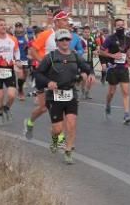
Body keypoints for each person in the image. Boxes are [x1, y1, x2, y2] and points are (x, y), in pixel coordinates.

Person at [33, 29, 93, 164]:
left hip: (71, 93)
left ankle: (68, 151)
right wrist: (48, 82)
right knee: (58, 129)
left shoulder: (75, 55)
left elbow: (87, 67)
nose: (65, 42)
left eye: (67, 39)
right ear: (57, 42)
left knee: (71, 124)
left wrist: (86, 74)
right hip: (54, 96)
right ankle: (55, 139)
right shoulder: (51, 57)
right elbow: (38, 74)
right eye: (62, 40)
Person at [24, 10, 68, 139]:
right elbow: (33, 50)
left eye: (67, 20)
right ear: (57, 21)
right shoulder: (46, 35)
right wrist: (43, 63)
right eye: (64, 20)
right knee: (43, 108)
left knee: (60, 106)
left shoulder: (67, 36)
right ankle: (29, 122)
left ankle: (59, 137)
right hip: (44, 75)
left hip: (60, 77)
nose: (67, 22)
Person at [100, 18, 130, 125]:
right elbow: (100, 51)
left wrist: (129, 58)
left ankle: (126, 114)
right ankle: (108, 104)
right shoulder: (110, 38)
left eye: (122, 25)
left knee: (125, 92)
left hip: (123, 68)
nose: (120, 27)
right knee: (111, 92)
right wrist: (112, 55)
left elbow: (127, 51)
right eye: (118, 26)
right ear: (115, 27)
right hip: (113, 68)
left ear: (125, 26)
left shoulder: (128, 39)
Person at [13, 22, 32, 101]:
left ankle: (21, 86)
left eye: (20, 27)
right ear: (15, 28)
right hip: (17, 59)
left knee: (25, 75)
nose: (18, 28)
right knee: (20, 75)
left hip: (25, 58)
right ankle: (20, 91)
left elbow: (30, 46)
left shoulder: (26, 36)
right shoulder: (13, 37)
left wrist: (30, 54)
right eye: (17, 27)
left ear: (22, 27)